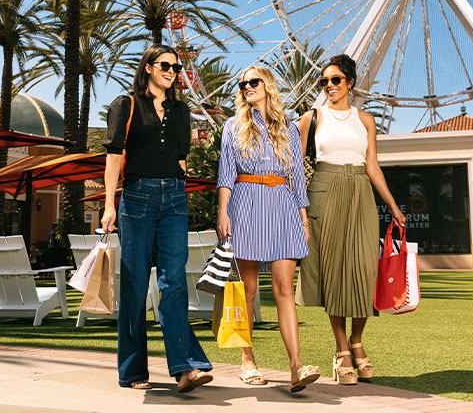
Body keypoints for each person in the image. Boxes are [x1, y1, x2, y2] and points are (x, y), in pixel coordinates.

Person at [101, 43, 213, 392]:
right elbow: (114, 159)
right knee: (134, 285)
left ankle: (185, 369)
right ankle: (133, 371)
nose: (172, 71)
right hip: (136, 197)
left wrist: (181, 197)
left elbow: (181, 160)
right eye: (165, 65)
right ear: (148, 67)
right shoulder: (127, 105)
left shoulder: (181, 112)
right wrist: (109, 205)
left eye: (177, 68)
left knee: (174, 282)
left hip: (174, 199)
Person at [295, 54, 405, 385]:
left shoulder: (366, 120)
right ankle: (343, 350)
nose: (329, 86)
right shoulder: (310, 118)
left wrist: (393, 205)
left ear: (350, 83)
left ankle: (358, 340)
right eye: (323, 82)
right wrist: (301, 212)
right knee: (333, 271)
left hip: (360, 193)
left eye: (335, 80)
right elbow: (296, 170)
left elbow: (372, 165)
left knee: (363, 269)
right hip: (324, 193)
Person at [217, 66, 320, 392]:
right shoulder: (232, 127)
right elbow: (225, 174)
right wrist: (223, 212)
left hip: (283, 207)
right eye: (242, 83)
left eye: (253, 81)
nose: (246, 86)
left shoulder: (288, 129)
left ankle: (296, 367)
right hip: (245, 206)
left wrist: (303, 219)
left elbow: (297, 178)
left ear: (268, 86)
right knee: (247, 290)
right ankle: (247, 360)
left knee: (284, 290)